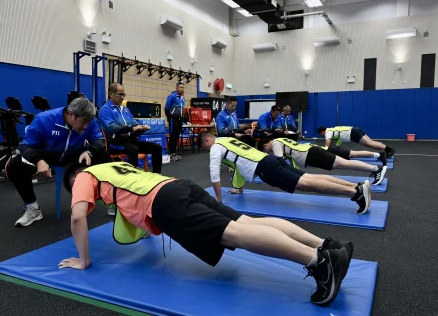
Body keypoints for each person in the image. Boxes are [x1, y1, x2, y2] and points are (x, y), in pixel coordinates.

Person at [59, 161, 352, 306]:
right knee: (247, 222)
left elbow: (77, 219)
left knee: (234, 233)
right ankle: (329, 246)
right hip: (177, 186)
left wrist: (83, 260)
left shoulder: (83, 178)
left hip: (167, 203)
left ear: (73, 181)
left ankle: (320, 261)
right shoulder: (111, 166)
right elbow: (133, 198)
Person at [197, 132, 371, 214]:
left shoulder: (216, 148)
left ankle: (355, 193)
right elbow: (241, 165)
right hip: (269, 160)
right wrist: (239, 189)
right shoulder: (227, 140)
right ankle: (356, 186)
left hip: (265, 167)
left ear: (207, 140)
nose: (206, 151)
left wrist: (218, 200)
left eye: (204, 147)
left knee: (305, 184)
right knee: (308, 177)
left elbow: (214, 173)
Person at [6, 97, 112, 227]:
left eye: (89, 122)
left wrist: (89, 152)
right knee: (15, 165)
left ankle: (110, 199)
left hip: (74, 154)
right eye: (83, 122)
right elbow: (26, 146)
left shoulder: (89, 123)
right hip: (47, 155)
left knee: (104, 156)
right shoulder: (43, 119)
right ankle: (32, 208)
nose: (86, 126)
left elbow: (99, 140)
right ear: (71, 114)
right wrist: (38, 161)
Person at [259, 138, 387, 185]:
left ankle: (376, 169)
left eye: (267, 151)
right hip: (310, 153)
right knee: (342, 165)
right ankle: (375, 169)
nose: (268, 152)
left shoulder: (275, 143)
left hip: (311, 154)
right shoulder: (280, 139)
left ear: (265, 145)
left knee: (343, 163)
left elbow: (280, 160)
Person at [98, 83, 163, 174]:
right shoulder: (105, 110)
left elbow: (133, 122)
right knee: (133, 149)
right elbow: (111, 127)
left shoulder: (125, 109)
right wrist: (131, 129)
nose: (122, 97)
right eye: (120, 94)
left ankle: (157, 175)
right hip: (114, 143)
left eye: (123, 94)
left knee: (157, 148)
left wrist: (141, 127)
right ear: (111, 94)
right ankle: (133, 179)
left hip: (129, 140)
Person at [317, 126, 396, 158]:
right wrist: (338, 149)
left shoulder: (328, 132)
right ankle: (388, 149)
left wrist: (325, 151)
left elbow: (327, 143)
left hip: (353, 133)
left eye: (321, 134)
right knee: (371, 142)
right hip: (354, 130)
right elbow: (339, 140)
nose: (322, 135)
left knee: (370, 144)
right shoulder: (333, 130)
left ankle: (389, 150)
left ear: (322, 132)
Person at [165, 81, 186, 161]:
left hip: (180, 119)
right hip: (173, 118)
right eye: (180, 87)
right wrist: (169, 116)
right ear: (176, 88)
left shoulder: (183, 98)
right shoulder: (172, 96)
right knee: (172, 136)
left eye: (183, 88)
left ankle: (174, 153)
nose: (182, 89)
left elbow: (182, 109)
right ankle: (171, 154)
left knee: (176, 136)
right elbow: (167, 108)